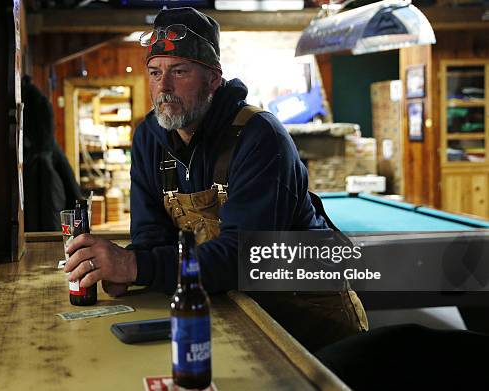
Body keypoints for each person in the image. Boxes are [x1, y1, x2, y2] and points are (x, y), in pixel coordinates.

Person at [64, 7, 367, 350]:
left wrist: (136, 265)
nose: (163, 87)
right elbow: (152, 232)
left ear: (213, 79)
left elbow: (246, 256)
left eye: (179, 71)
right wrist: (128, 269)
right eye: (154, 72)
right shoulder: (150, 136)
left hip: (308, 317)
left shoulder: (259, 136)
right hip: (232, 309)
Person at [22, 75, 82, 231]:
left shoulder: (42, 158)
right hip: (43, 154)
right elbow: (73, 190)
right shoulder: (36, 96)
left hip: (39, 158)